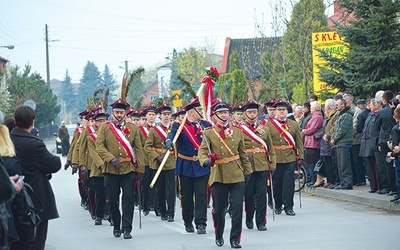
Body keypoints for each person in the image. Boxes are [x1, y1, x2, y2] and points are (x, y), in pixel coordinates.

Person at [198, 102, 252, 248]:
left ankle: (235, 238)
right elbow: (202, 151)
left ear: (229, 114)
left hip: (236, 173)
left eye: (225, 112)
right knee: (219, 209)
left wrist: (248, 171)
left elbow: (243, 154)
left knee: (237, 208)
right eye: (220, 113)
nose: (223, 115)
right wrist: (205, 160)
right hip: (219, 174)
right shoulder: (209, 133)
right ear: (215, 116)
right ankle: (219, 234)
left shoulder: (238, 131)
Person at [10, 105, 61, 250]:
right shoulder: (34, 144)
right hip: (35, 200)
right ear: (33, 122)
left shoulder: (7, 141)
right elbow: (54, 164)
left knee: (16, 242)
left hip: (11, 198)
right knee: (36, 241)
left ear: (15, 120)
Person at [96, 99, 145, 239]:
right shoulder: (105, 128)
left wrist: (140, 168)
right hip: (111, 170)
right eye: (117, 112)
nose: (119, 115)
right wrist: (110, 158)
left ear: (125, 113)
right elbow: (99, 146)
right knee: (112, 199)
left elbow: (138, 149)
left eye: (121, 112)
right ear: (112, 113)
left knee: (128, 199)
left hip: (128, 169)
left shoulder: (133, 128)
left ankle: (127, 228)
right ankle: (116, 226)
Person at [165, 97, 211, 235]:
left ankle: (201, 223)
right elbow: (172, 135)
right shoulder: (178, 125)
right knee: (186, 196)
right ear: (191, 112)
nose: (202, 112)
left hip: (202, 165)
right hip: (185, 165)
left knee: (202, 196)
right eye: (200, 110)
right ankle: (188, 221)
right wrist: (168, 141)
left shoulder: (206, 125)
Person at [240, 100, 276, 231]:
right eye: (249, 112)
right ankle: (249, 216)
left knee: (261, 194)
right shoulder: (239, 129)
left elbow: (271, 149)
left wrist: (272, 164)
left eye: (254, 112)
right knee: (248, 195)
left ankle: (261, 221)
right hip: (248, 166)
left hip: (262, 165)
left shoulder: (264, 129)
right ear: (245, 113)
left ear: (257, 113)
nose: (252, 114)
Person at [266, 101, 304, 216]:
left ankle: (289, 206)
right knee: (277, 183)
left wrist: (300, 157)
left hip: (290, 157)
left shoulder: (294, 124)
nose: (281, 112)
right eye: (279, 110)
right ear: (275, 112)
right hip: (276, 158)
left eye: (283, 110)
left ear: (287, 112)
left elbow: (299, 142)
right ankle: (277, 205)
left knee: (289, 183)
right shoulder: (268, 125)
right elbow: (266, 143)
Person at [144, 104, 176, 222]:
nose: (166, 117)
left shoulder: (175, 129)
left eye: (168, 114)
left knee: (171, 189)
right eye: (164, 115)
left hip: (171, 162)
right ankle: (163, 211)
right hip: (158, 163)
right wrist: (157, 157)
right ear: (160, 116)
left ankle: (171, 213)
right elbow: (147, 147)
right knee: (160, 189)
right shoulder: (154, 130)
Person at [86, 109, 110, 226]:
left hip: (111, 168)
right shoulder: (91, 137)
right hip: (98, 170)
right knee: (100, 195)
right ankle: (99, 215)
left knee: (111, 194)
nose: (102, 123)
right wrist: (102, 164)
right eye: (100, 121)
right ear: (95, 123)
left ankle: (110, 214)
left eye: (104, 120)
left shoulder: (111, 135)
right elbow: (94, 154)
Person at [372, 90, 396, 195]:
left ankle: (389, 187)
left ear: (384, 100)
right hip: (395, 138)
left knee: (387, 165)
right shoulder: (395, 110)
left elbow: (376, 127)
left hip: (384, 140)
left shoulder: (381, 112)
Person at [138, 105, 159, 216]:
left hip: (156, 159)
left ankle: (157, 207)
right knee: (145, 184)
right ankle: (145, 206)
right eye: (149, 115)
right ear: (146, 116)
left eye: (153, 115)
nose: (151, 117)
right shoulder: (141, 130)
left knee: (156, 184)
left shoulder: (158, 129)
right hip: (145, 160)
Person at [330, 98, 354, 190]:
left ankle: (347, 183)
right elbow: (336, 129)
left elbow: (342, 130)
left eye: (338, 104)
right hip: (339, 143)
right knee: (340, 164)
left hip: (344, 142)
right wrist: (333, 138)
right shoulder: (341, 115)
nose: (336, 106)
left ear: (343, 105)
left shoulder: (347, 115)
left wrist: (334, 139)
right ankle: (342, 182)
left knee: (344, 164)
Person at [301, 101, 324, 187]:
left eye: (311, 107)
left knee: (312, 162)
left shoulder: (317, 117)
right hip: (310, 142)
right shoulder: (314, 116)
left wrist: (304, 131)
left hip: (313, 142)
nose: (310, 109)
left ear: (314, 108)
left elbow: (312, 129)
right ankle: (311, 178)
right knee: (309, 162)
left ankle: (314, 178)